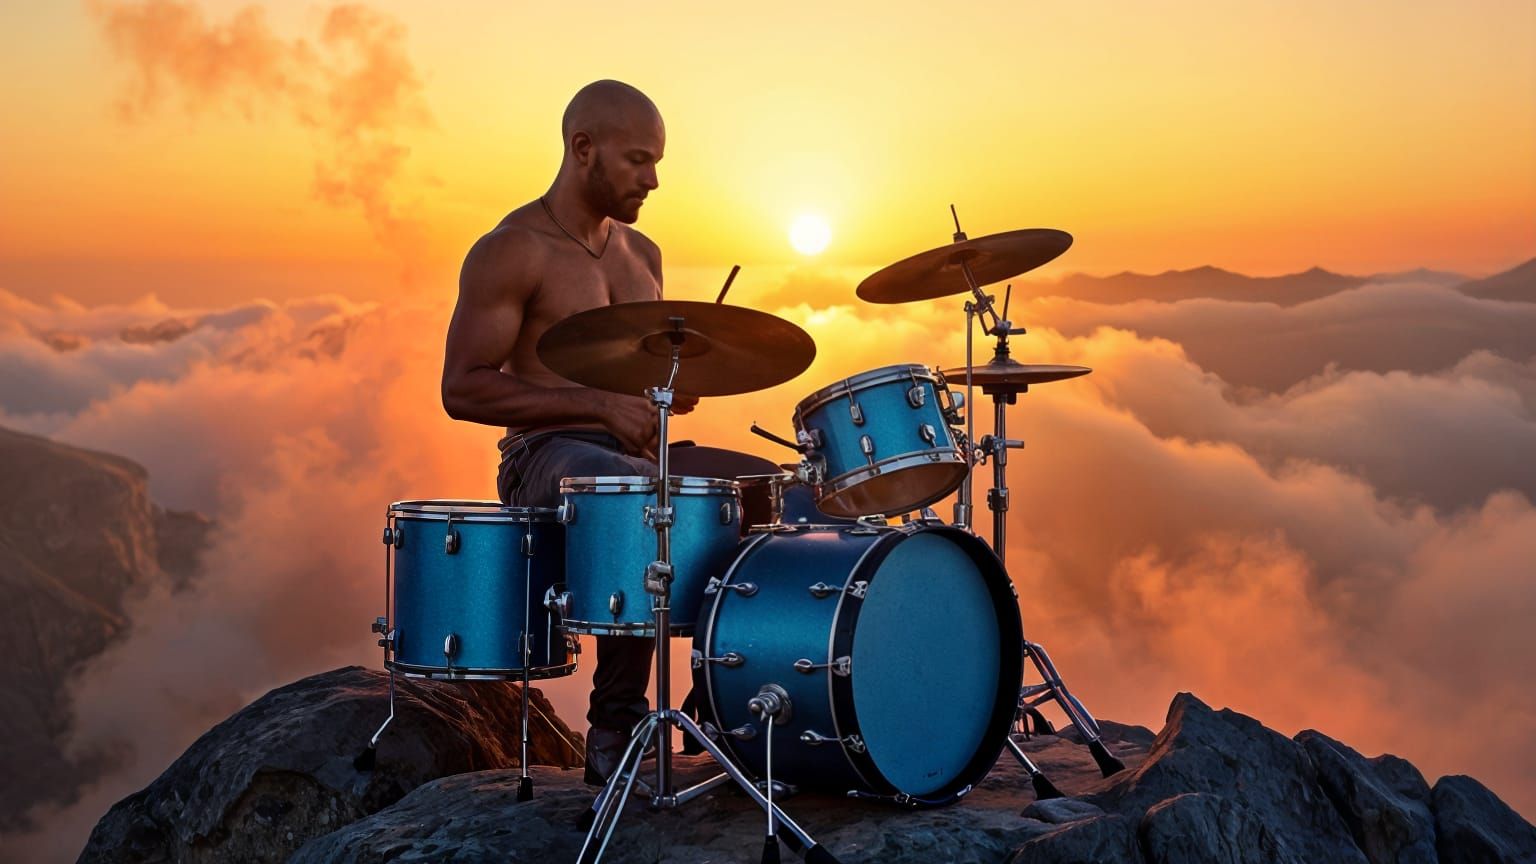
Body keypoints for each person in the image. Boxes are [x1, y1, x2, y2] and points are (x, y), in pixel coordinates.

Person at [439, 80, 697, 785]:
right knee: (643, 493)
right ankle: (614, 728)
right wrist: (601, 408)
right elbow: (460, 387)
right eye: (638, 160)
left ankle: (720, 706)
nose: (653, 180)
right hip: (540, 456)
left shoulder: (643, 254)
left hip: (628, 453)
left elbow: (640, 377)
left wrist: (664, 393)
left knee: (751, 494)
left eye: (657, 163)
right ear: (583, 149)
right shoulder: (513, 249)